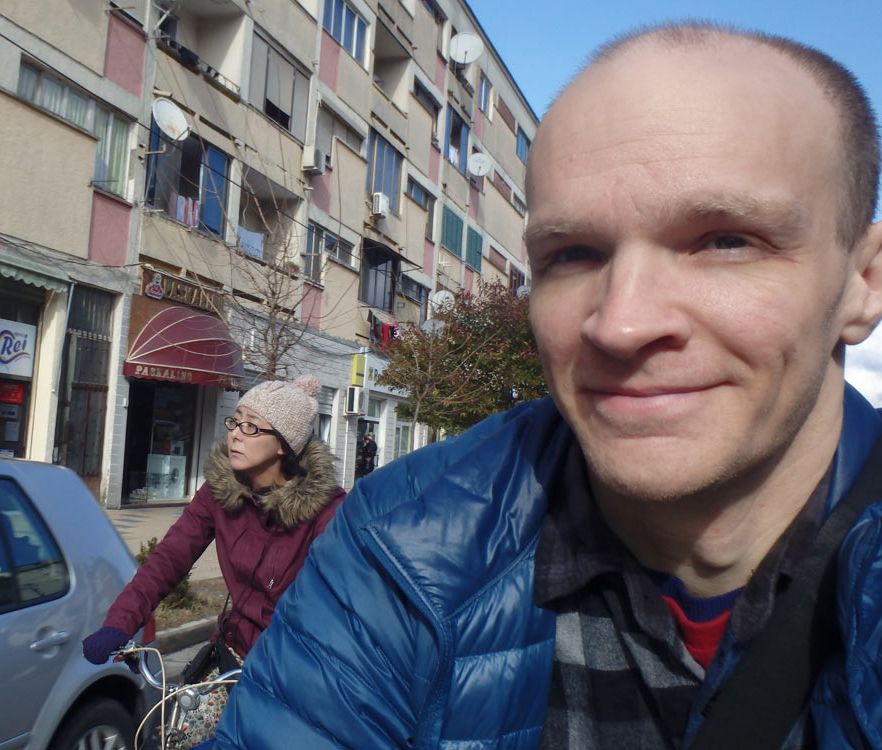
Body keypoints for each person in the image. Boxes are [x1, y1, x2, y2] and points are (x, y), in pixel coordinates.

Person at [215, 24, 882, 750]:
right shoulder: (405, 544)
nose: (621, 324)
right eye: (573, 253)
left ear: (863, 282)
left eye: (724, 240)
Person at [82, 375, 345, 742]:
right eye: (235, 421)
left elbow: (337, 610)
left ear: (284, 444)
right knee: (173, 737)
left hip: (290, 673)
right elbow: (168, 558)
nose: (236, 433)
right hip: (230, 659)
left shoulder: (327, 515)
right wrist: (120, 622)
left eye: (251, 426)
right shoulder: (220, 492)